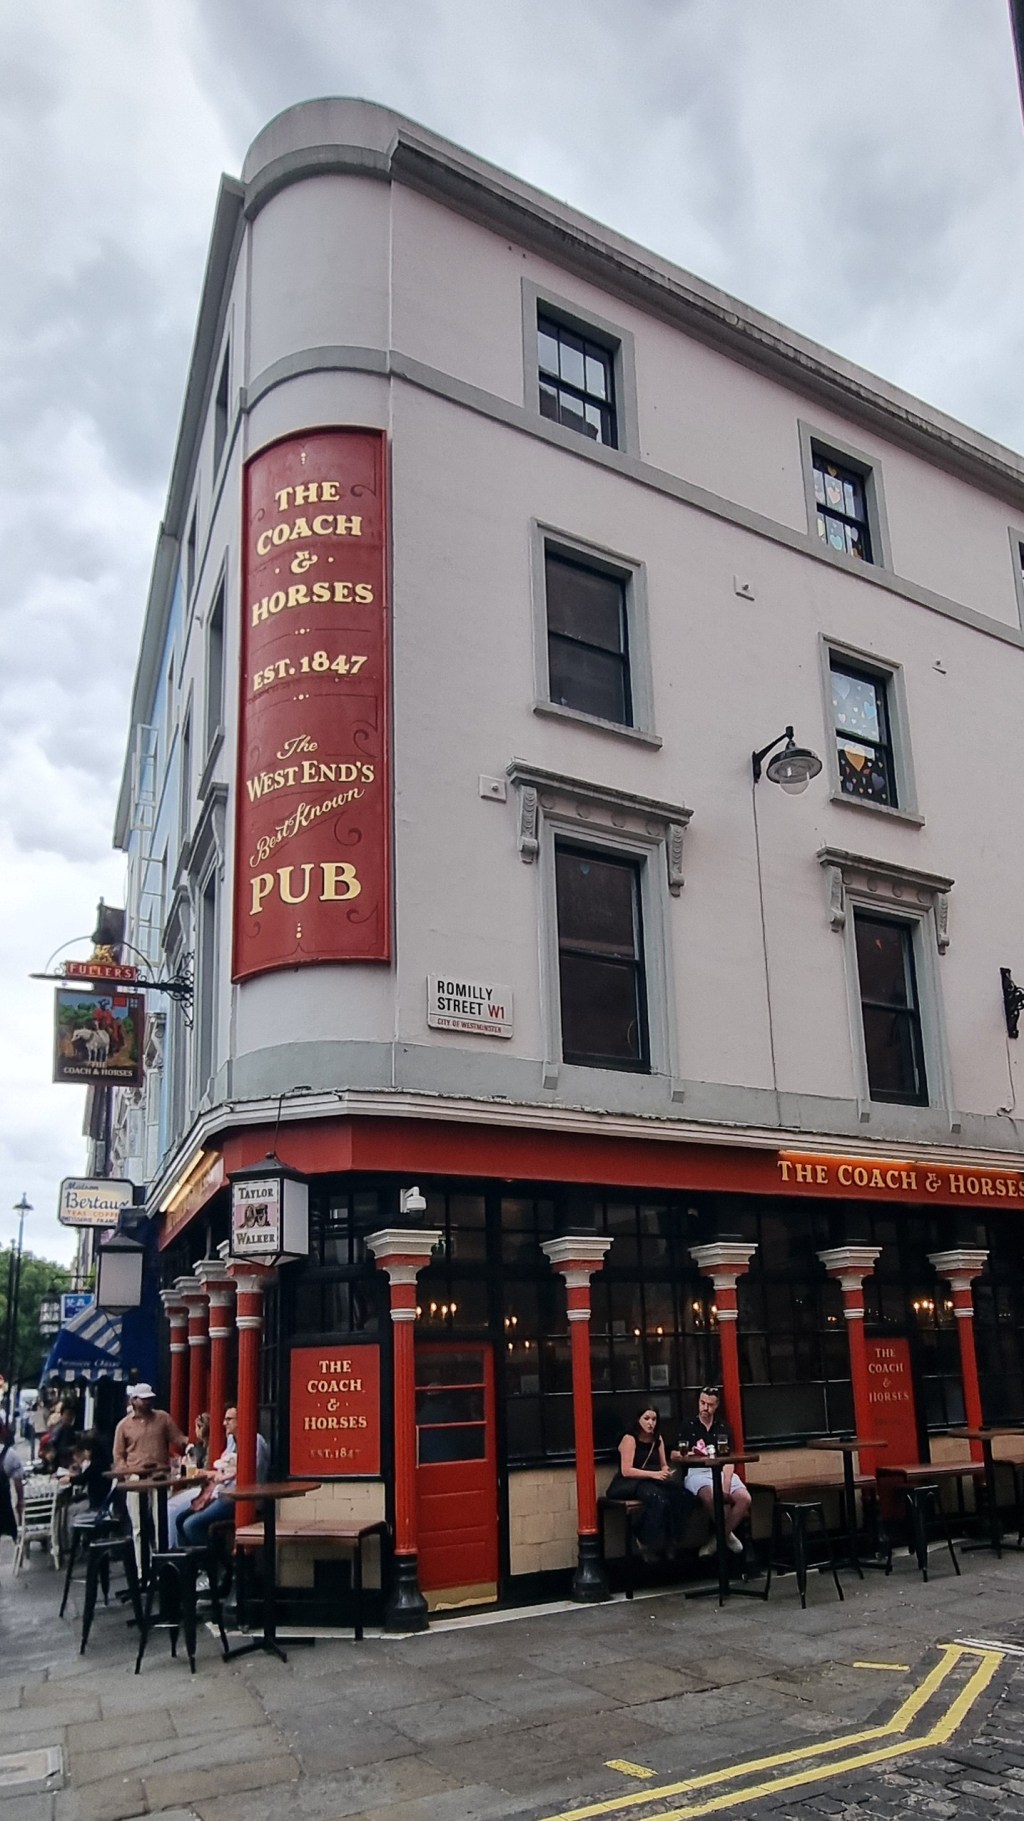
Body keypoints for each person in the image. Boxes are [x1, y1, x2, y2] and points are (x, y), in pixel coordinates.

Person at [605, 1407, 694, 1560]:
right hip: (633, 1481)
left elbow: (663, 1463)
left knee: (684, 1496)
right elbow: (627, 1470)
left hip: (654, 1479)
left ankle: (672, 1539)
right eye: (646, 1419)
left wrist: (665, 1471)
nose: (650, 1423)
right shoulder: (630, 1439)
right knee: (658, 1499)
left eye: (654, 1419)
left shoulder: (657, 1439)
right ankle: (643, 1537)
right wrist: (655, 1474)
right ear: (638, 1420)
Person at [674, 1385, 751, 1557]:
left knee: (745, 1498)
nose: (705, 1408)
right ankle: (728, 1536)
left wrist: (726, 1484)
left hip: (722, 1470)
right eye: (702, 1403)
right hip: (697, 1472)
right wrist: (691, 1453)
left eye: (709, 1404)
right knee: (710, 1496)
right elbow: (674, 1453)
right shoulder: (688, 1425)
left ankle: (717, 1539)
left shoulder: (723, 1427)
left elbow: (730, 1459)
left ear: (716, 1406)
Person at [177, 1406, 270, 1547]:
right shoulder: (232, 1440)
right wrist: (220, 1474)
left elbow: (247, 1471)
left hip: (240, 1498)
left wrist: (223, 1474)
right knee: (180, 1519)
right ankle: (191, 1565)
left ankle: (216, 1562)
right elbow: (222, 1469)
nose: (224, 1423)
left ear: (242, 1420)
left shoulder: (255, 1441)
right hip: (222, 1493)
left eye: (229, 1419)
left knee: (191, 1525)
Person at [0, 1421, 24, 1543]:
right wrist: (20, 1500)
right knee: (11, 1533)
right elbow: (18, 1482)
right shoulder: (10, 1455)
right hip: (3, 1507)